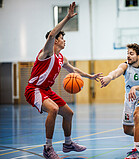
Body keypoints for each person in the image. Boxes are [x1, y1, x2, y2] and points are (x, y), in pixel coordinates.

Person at [24, 2, 102, 159]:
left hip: (47, 90)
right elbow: (52, 34)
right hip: (34, 89)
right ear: (55, 41)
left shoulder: (61, 58)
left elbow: (74, 71)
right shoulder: (46, 53)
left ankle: (68, 144)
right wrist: (67, 17)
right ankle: (48, 148)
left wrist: (90, 76)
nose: (64, 40)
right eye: (62, 38)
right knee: (53, 109)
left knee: (68, 113)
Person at [100, 43, 139, 159]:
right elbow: (116, 72)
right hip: (130, 98)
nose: (128, 56)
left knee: (137, 115)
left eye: (131, 54)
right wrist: (109, 78)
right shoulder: (125, 66)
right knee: (127, 129)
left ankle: (136, 150)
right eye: (127, 54)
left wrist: (136, 88)